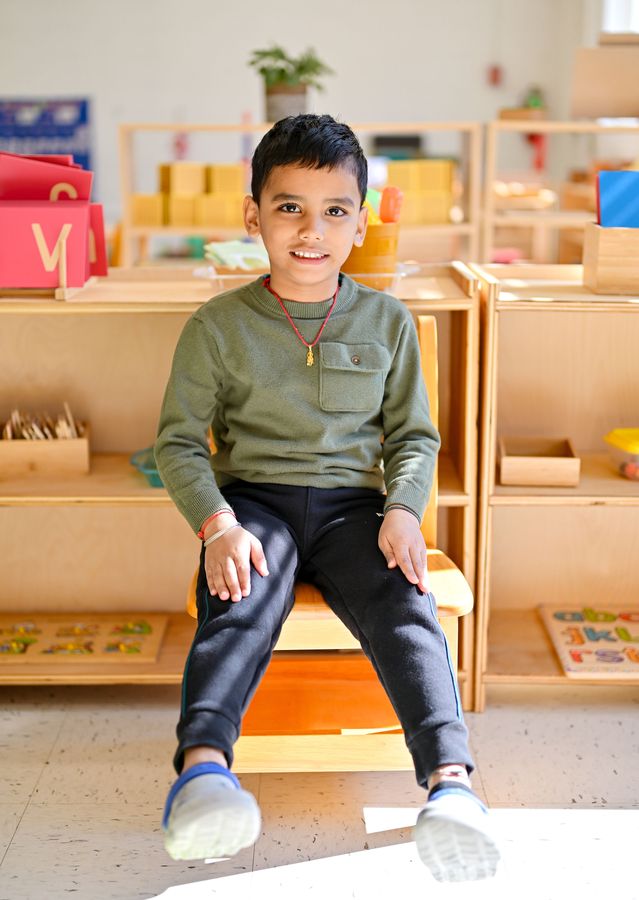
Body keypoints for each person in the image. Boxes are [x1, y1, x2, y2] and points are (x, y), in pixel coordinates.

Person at [155, 113, 500, 882]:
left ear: (360, 220)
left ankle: (450, 787)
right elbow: (178, 442)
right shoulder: (216, 326)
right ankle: (203, 773)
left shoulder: (387, 319)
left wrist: (405, 511)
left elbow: (413, 437)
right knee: (237, 595)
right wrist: (217, 526)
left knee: (404, 602)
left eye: (334, 211)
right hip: (257, 504)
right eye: (289, 209)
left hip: (356, 509)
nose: (312, 231)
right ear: (253, 217)